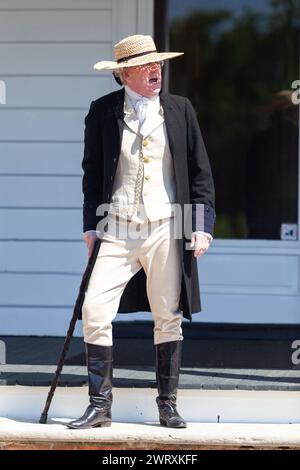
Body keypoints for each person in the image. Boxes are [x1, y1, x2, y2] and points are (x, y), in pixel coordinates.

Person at [67, 34, 215, 430]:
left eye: (158, 64)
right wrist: (89, 226)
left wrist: (201, 227)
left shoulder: (180, 109)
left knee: (168, 315)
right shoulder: (102, 112)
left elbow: (200, 174)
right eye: (147, 65)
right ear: (125, 73)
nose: (156, 70)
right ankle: (100, 406)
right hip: (115, 227)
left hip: (166, 227)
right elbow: (92, 174)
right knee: (94, 309)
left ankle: (167, 405)